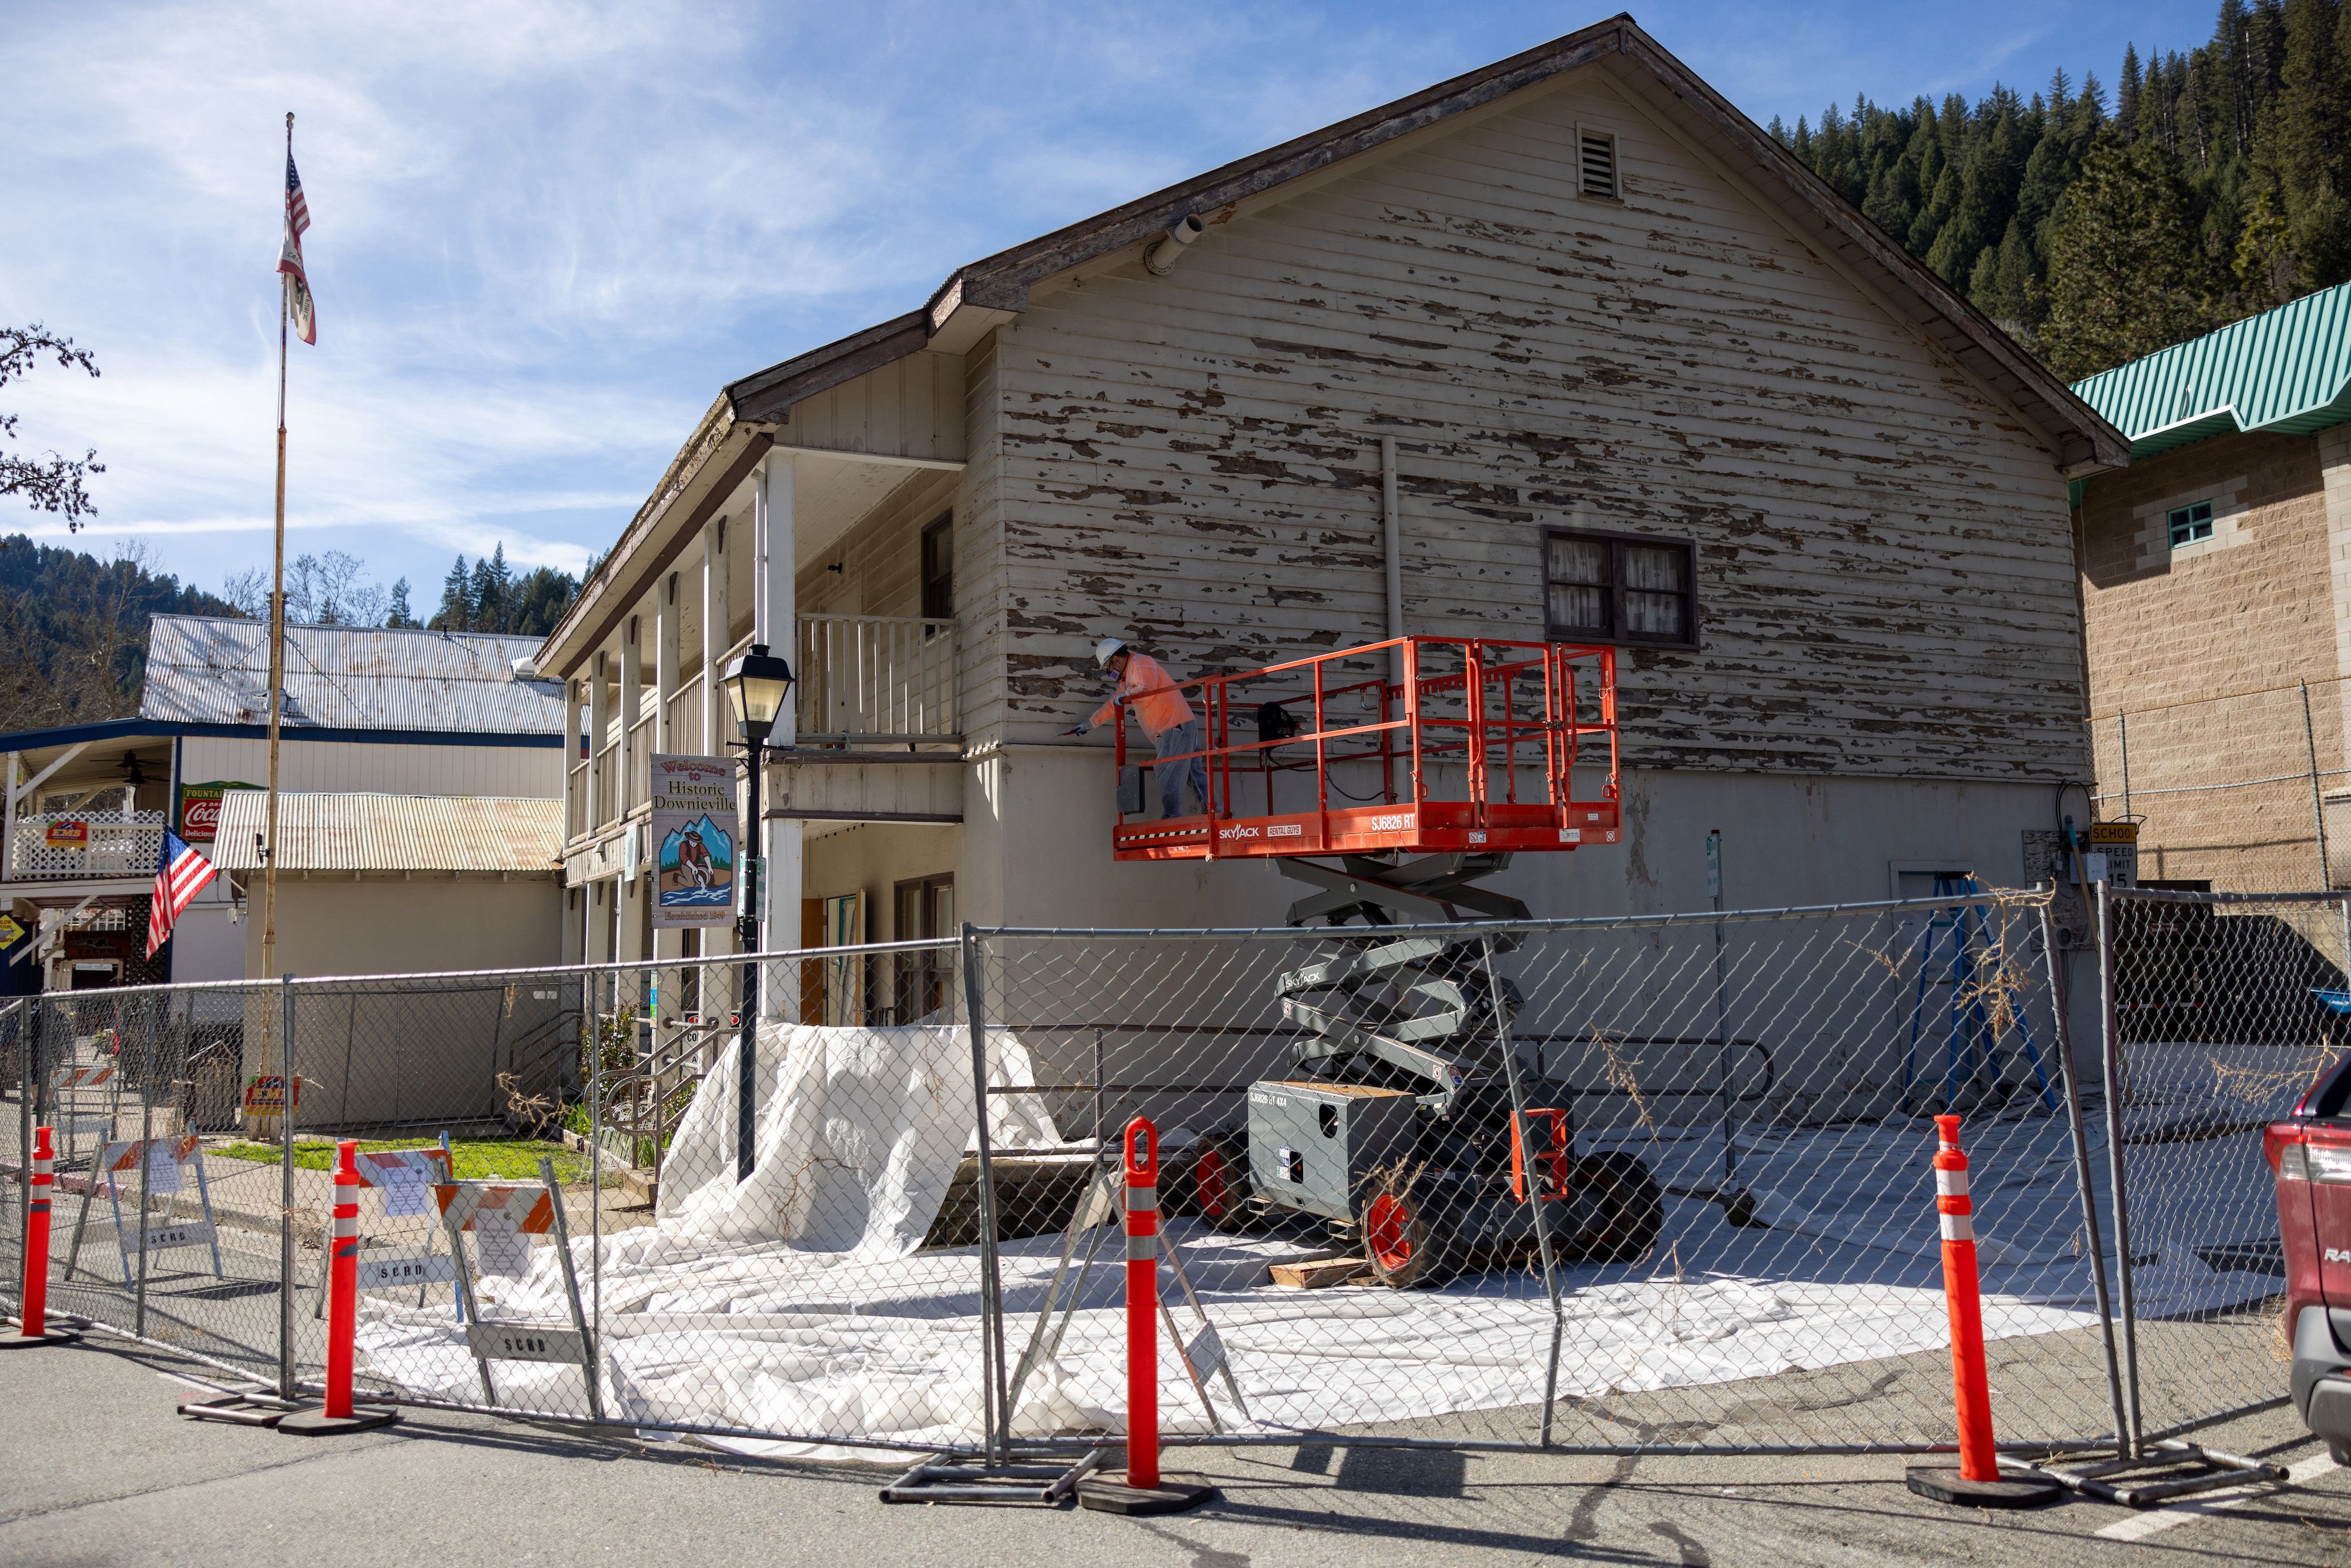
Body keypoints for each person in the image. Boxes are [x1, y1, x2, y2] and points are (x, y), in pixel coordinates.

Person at [1064, 637, 1209, 818]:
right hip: (1179, 725)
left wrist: (1126, 695)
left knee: (1168, 772)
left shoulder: (1140, 662)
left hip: (1174, 727)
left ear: (1116, 660)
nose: (1111, 672)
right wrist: (1092, 723)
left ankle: (1172, 817)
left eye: (1109, 668)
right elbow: (1114, 704)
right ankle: (1213, 809)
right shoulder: (1128, 678)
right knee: (1192, 774)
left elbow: (1146, 688)